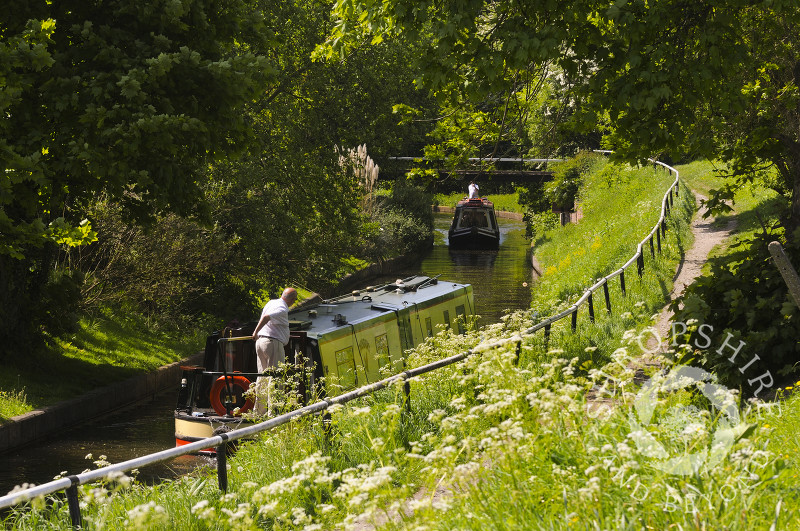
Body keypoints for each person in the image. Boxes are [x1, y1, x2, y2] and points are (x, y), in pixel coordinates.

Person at [252, 287, 297, 414]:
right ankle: (274, 412)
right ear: (293, 300)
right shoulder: (282, 308)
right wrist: (255, 331)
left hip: (261, 342)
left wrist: (257, 334)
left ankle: (258, 412)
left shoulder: (272, 302)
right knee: (275, 377)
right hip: (273, 343)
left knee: (262, 376)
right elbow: (266, 317)